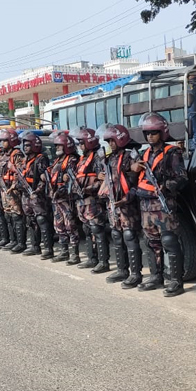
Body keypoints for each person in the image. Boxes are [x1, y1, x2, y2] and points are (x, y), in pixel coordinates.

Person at [131, 112, 188, 297]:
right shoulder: (143, 154)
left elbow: (182, 178)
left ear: (162, 133)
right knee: (151, 242)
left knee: (169, 241)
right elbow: (133, 178)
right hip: (146, 205)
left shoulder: (172, 152)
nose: (150, 137)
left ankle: (176, 281)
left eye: (154, 133)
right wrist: (132, 169)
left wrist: (166, 186)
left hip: (163, 204)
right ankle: (156, 276)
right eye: (147, 133)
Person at [97, 123, 144, 288]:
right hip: (113, 203)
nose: (110, 144)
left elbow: (139, 182)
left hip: (127, 204)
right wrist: (101, 176)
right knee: (116, 235)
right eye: (108, 141)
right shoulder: (110, 158)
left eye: (112, 141)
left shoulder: (131, 155)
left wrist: (126, 199)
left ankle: (136, 274)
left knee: (129, 236)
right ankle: (122, 269)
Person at [70, 126, 110, 273]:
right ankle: (92, 258)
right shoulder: (82, 159)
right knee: (87, 229)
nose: (80, 146)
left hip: (93, 200)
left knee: (97, 230)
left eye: (82, 143)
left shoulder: (98, 157)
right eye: (78, 143)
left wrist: (89, 188)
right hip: (82, 201)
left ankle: (103, 261)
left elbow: (103, 180)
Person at [16, 132, 53, 258]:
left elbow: (44, 179)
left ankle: (48, 249)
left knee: (41, 220)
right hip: (26, 194)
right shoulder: (24, 160)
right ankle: (35, 246)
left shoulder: (40, 159)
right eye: (24, 145)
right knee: (30, 220)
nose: (25, 148)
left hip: (37, 196)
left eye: (27, 145)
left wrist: (37, 192)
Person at [48, 132, 82, 264]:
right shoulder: (58, 160)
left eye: (59, 146)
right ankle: (64, 251)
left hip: (66, 198)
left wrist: (62, 181)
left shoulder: (72, 160)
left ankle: (75, 254)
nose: (56, 148)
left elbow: (72, 179)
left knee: (70, 226)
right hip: (56, 198)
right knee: (59, 225)